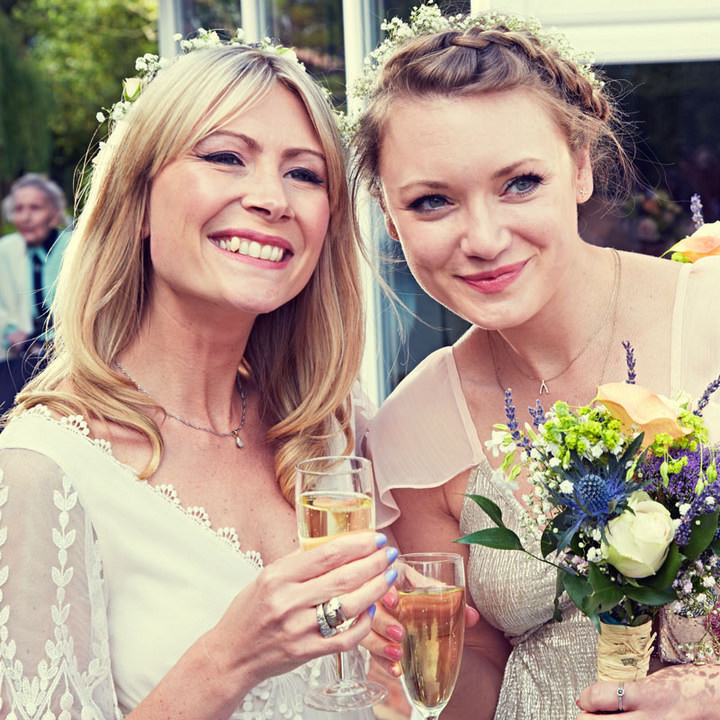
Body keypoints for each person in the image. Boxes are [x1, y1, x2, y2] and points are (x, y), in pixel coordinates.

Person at [0, 38, 400, 719]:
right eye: (225, 157)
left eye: (305, 174)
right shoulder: (43, 469)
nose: (273, 199)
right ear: (138, 197)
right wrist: (231, 658)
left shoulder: (330, 432)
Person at [351, 6, 720, 719]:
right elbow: (480, 676)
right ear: (390, 219)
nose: (484, 238)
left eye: (520, 182)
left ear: (579, 165)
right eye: (432, 201)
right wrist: (409, 663)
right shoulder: (413, 431)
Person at [0, 173, 71, 360]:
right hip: (22, 355)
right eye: (18, 209)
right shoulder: (6, 250)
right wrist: (10, 332)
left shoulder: (75, 249)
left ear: (55, 215)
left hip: (69, 353)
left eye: (35, 208)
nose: (25, 217)